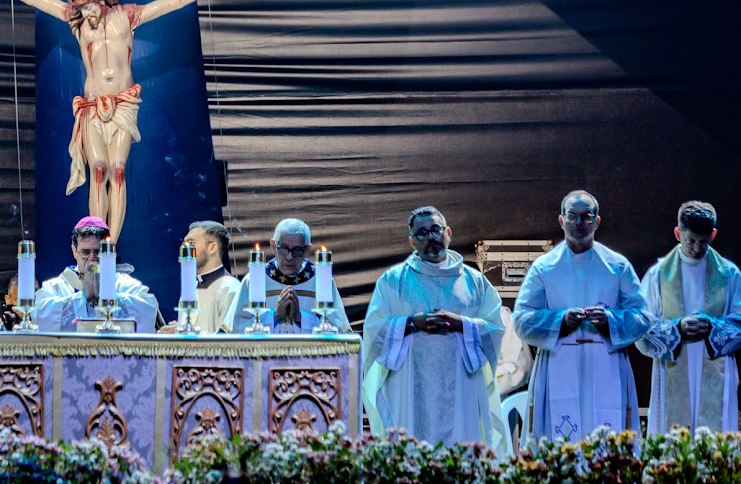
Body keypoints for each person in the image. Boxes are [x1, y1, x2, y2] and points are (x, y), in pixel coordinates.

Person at [0, 0, 239, 240]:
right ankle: (97, 237)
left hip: (123, 103)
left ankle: (113, 243)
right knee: (98, 168)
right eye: (82, 9)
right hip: (93, 105)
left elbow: (173, 1)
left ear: (100, 1)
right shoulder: (76, 23)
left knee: (118, 170)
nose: (86, 14)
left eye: (89, 8)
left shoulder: (127, 16)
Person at [362, 207, 509, 453]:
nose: (430, 237)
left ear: (448, 233)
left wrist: (461, 323)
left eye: (436, 230)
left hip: (462, 386)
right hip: (411, 385)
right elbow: (374, 330)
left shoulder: (475, 282)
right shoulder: (393, 281)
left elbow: (495, 328)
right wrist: (410, 322)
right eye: (421, 233)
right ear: (412, 241)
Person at [512, 191, 651, 440]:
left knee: (607, 443)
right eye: (572, 216)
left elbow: (642, 317)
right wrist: (560, 320)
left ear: (597, 221)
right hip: (558, 364)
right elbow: (521, 319)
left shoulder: (617, 266)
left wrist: (612, 320)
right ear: (561, 220)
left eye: (586, 216)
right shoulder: (544, 267)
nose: (579, 223)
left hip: (606, 363)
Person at [636, 201, 741, 434]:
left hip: (716, 367)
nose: (696, 248)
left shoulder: (729, 273)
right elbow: (641, 326)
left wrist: (712, 326)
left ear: (713, 235)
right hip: (673, 364)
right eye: (690, 240)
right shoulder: (658, 275)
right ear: (677, 233)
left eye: (703, 241)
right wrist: (677, 329)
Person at [33, 216, 160, 332]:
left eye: (98, 252)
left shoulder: (123, 283)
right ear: (74, 251)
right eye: (86, 252)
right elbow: (39, 314)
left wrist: (109, 299)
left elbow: (148, 307)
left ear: (110, 252)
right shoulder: (57, 286)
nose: (92, 258)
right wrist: (82, 299)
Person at [226, 218, 351, 333]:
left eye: (297, 250)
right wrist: (274, 316)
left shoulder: (321, 281)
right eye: (284, 249)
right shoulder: (254, 280)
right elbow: (236, 328)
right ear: (273, 246)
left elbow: (339, 331)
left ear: (307, 250)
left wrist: (300, 318)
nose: (290, 257)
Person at [162, 220, 239, 334]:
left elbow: (228, 339)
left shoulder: (231, 288)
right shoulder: (190, 288)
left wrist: (183, 333)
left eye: (191, 242)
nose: (184, 248)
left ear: (212, 248)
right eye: (184, 243)